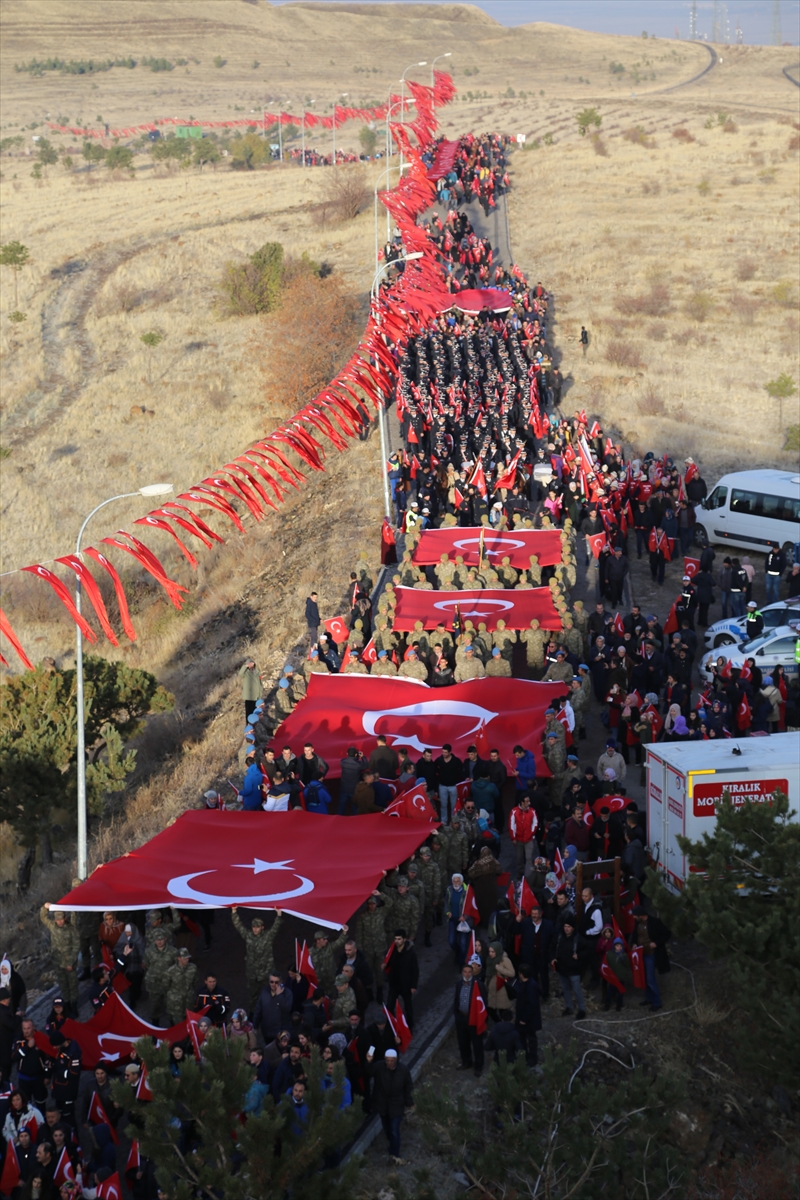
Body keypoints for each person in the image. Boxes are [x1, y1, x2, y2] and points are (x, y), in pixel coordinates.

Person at [366, 1046, 414, 1165]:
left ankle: (394, 1154)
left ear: (396, 1060)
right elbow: (368, 1073)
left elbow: (408, 1087)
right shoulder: (379, 1067)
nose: (389, 1063)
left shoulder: (403, 1070)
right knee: (387, 1128)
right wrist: (368, 1061)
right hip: (382, 1104)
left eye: (392, 1061)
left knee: (394, 1130)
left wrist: (409, 1103)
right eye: (387, 1061)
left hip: (396, 1104)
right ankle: (392, 1144)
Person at [231, 908, 283, 1013]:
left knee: (268, 994)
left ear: (262, 927)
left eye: (257, 927)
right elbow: (238, 926)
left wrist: (279, 915)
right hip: (252, 973)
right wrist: (234, 912)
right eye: (253, 927)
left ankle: (268, 1012)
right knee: (252, 996)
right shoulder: (248, 935)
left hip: (265, 973)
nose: (255, 929)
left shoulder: (268, 936)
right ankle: (253, 1013)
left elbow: (276, 926)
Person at [453, 963, 487, 1077]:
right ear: (462, 973)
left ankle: (479, 1066)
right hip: (461, 1018)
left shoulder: (479, 985)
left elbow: (484, 1003)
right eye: (465, 972)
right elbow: (456, 1000)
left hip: (474, 1018)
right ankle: (466, 1062)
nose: (467, 974)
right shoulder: (458, 984)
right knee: (463, 1042)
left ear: (472, 973)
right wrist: (457, 1015)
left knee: (477, 1043)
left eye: (469, 972)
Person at [385, 929, 419, 1031]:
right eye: (395, 939)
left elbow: (415, 970)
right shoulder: (392, 951)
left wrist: (413, 985)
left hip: (406, 985)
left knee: (408, 1008)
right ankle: (391, 1025)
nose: (397, 941)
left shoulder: (410, 953)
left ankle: (410, 1027)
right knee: (389, 1006)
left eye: (399, 939)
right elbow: (389, 963)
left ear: (404, 940)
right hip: (394, 984)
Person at [553, 919, 586, 1019]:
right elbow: (552, 948)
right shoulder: (560, 937)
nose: (567, 929)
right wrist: (553, 958)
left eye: (569, 927)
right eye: (565, 926)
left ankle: (582, 1009)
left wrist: (579, 955)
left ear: (573, 928)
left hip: (574, 970)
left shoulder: (578, 939)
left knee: (577, 990)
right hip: (562, 969)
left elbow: (588, 950)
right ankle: (569, 1007)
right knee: (565, 989)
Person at [512, 962, 542, 1065]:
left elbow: (532, 1005)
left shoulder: (531, 986)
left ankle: (532, 1058)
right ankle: (525, 1056)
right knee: (522, 1038)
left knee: (531, 1039)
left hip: (528, 1019)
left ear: (521, 974)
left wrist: (524, 1019)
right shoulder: (527, 984)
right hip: (525, 1018)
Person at [509, 794, 538, 880]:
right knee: (519, 858)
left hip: (529, 839)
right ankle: (520, 872)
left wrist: (531, 833)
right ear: (522, 802)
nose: (529, 803)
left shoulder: (532, 811)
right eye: (527, 801)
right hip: (518, 839)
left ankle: (528, 876)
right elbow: (511, 825)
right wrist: (513, 838)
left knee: (529, 858)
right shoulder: (514, 811)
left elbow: (535, 824)